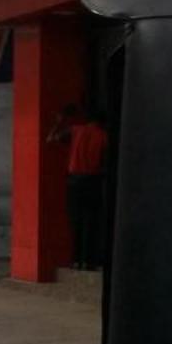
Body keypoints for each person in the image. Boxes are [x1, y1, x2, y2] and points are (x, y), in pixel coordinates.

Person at [50, 104, 110, 270]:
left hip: (74, 182)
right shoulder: (103, 136)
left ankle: (76, 260)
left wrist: (59, 122)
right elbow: (106, 163)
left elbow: (51, 138)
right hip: (93, 182)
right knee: (92, 222)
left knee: (76, 221)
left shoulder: (75, 131)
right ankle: (90, 261)